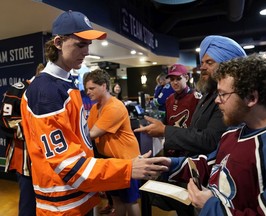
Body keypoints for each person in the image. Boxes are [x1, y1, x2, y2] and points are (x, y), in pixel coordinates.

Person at [20, 10, 169, 216]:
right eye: (80, 44)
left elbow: (81, 144)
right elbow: (67, 165)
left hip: (78, 195)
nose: (87, 51)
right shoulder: (46, 91)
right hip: (62, 204)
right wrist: (126, 169)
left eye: (88, 45)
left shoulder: (64, 84)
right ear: (58, 43)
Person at [134, 35, 246, 215]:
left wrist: (165, 132)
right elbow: (215, 150)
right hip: (199, 173)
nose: (203, 67)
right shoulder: (207, 95)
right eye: (202, 62)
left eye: (209, 62)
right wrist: (174, 163)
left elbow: (212, 141)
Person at [168, 54, 266, 215]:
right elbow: (211, 164)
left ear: (251, 98)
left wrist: (209, 206)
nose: (217, 100)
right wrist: (168, 164)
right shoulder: (232, 133)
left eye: (223, 94)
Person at [84, 69, 141, 216]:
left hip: (127, 160)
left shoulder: (114, 106)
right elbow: (87, 130)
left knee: (130, 201)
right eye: (86, 89)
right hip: (111, 161)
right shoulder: (96, 107)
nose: (88, 92)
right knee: (117, 199)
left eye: (91, 88)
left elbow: (90, 134)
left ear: (103, 86)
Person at [0, 63, 44, 216]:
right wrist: (37, 129)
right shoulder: (17, 90)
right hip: (25, 157)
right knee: (28, 202)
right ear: (40, 73)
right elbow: (5, 121)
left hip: (49, 158)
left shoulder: (53, 90)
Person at [164, 64, 200, 156]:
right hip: (173, 147)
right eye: (172, 79)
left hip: (190, 148)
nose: (175, 82)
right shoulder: (169, 99)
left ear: (186, 78)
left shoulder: (196, 98)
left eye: (178, 79)